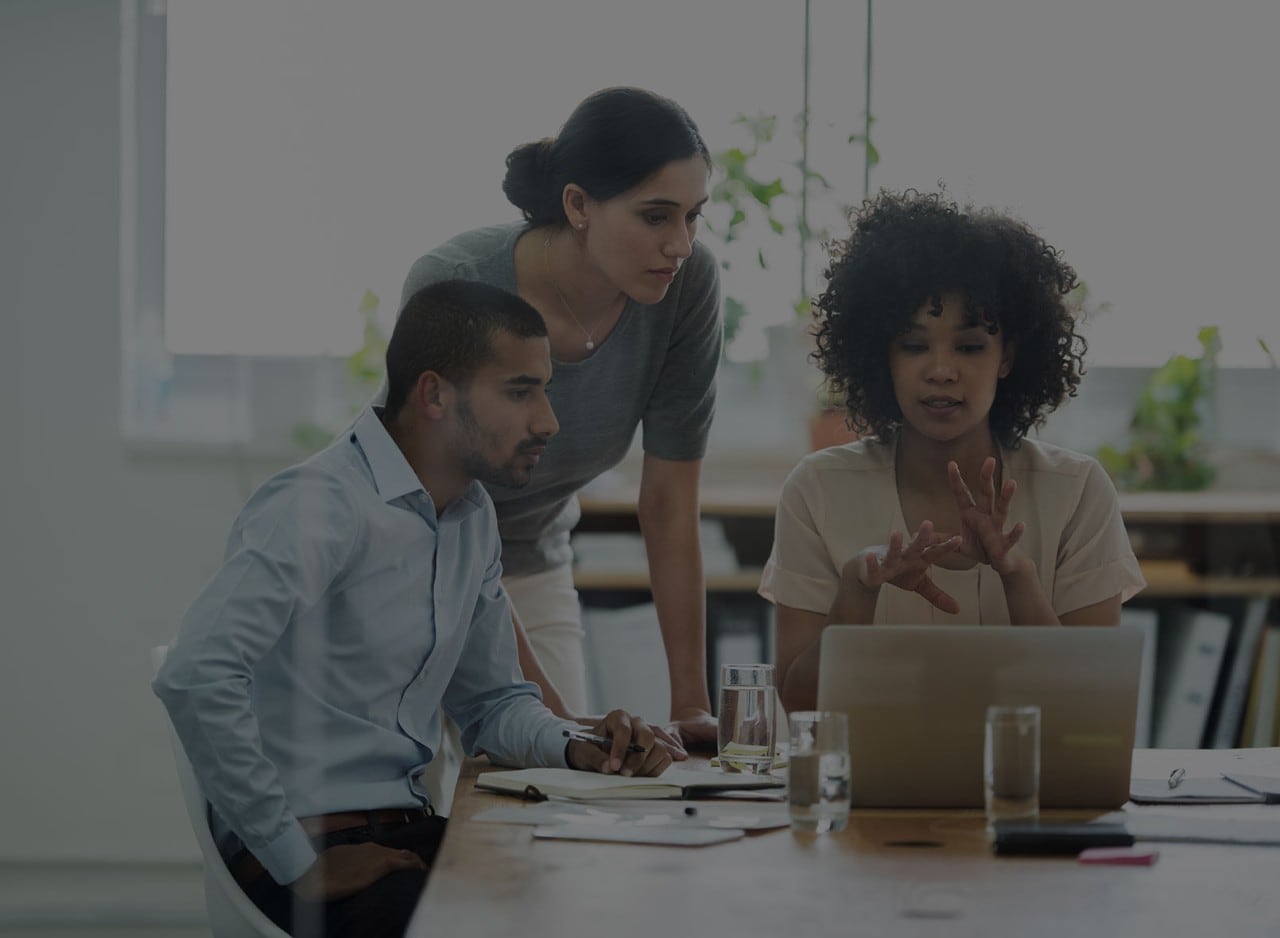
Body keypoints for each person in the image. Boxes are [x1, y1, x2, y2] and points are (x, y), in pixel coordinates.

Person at [154, 279, 670, 938]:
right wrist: (293, 862)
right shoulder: (317, 506)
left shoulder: (471, 515)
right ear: (434, 395)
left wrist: (580, 748)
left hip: (407, 836)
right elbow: (196, 673)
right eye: (519, 391)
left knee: (604, 894)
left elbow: (492, 706)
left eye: (545, 389)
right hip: (310, 851)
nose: (548, 421)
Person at [398, 87, 722, 750]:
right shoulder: (456, 284)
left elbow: (667, 502)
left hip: (532, 563)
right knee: (420, 818)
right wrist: (547, 716)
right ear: (578, 205)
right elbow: (439, 512)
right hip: (415, 563)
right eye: (656, 216)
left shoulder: (685, 289)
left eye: (693, 216)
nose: (681, 244)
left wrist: (691, 703)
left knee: (550, 807)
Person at [760, 189, 1147, 712]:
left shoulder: (1077, 491)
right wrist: (857, 591)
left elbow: (1093, 709)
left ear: (1007, 356)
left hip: (1027, 791)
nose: (941, 369)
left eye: (969, 346)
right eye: (914, 345)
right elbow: (799, 707)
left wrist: (1019, 578)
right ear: (883, 355)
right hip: (868, 788)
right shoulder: (818, 489)